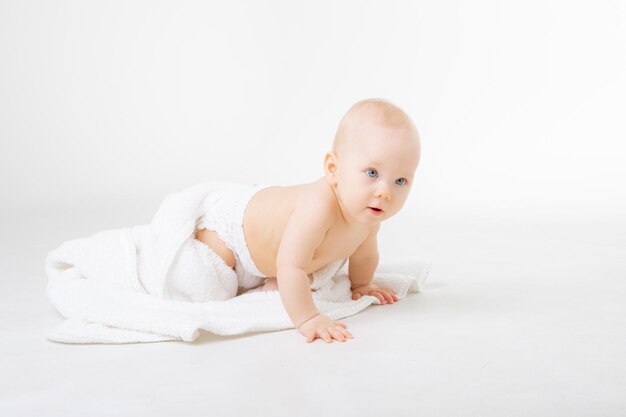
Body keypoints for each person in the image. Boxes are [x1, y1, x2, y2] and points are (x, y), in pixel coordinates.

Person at [195, 98, 421, 343]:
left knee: (290, 265)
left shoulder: (368, 214)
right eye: (372, 173)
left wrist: (362, 285)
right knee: (211, 283)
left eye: (400, 181)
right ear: (333, 169)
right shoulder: (318, 208)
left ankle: (267, 280)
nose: (384, 192)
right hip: (233, 231)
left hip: (271, 255)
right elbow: (292, 267)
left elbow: (364, 256)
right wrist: (308, 317)